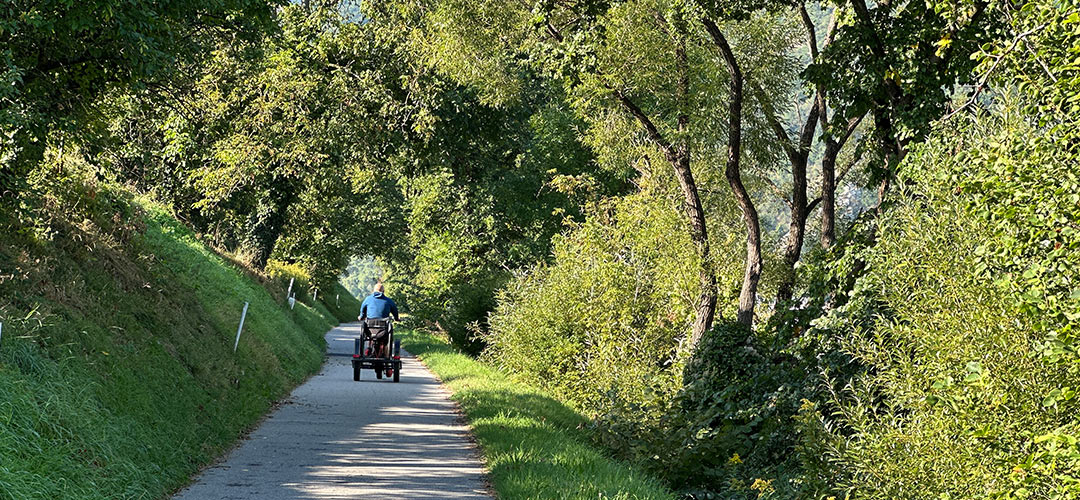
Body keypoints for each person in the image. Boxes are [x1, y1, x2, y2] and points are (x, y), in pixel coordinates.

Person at [359, 283, 399, 379]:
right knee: (389, 331)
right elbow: (395, 312)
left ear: (374, 291)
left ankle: (367, 351)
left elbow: (362, 311)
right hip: (383, 330)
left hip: (370, 330)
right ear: (383, 291)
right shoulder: (389, 301)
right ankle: (387, 353)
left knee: (365, 327)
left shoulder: (368, 299)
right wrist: (397, 318)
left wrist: (361, 316)